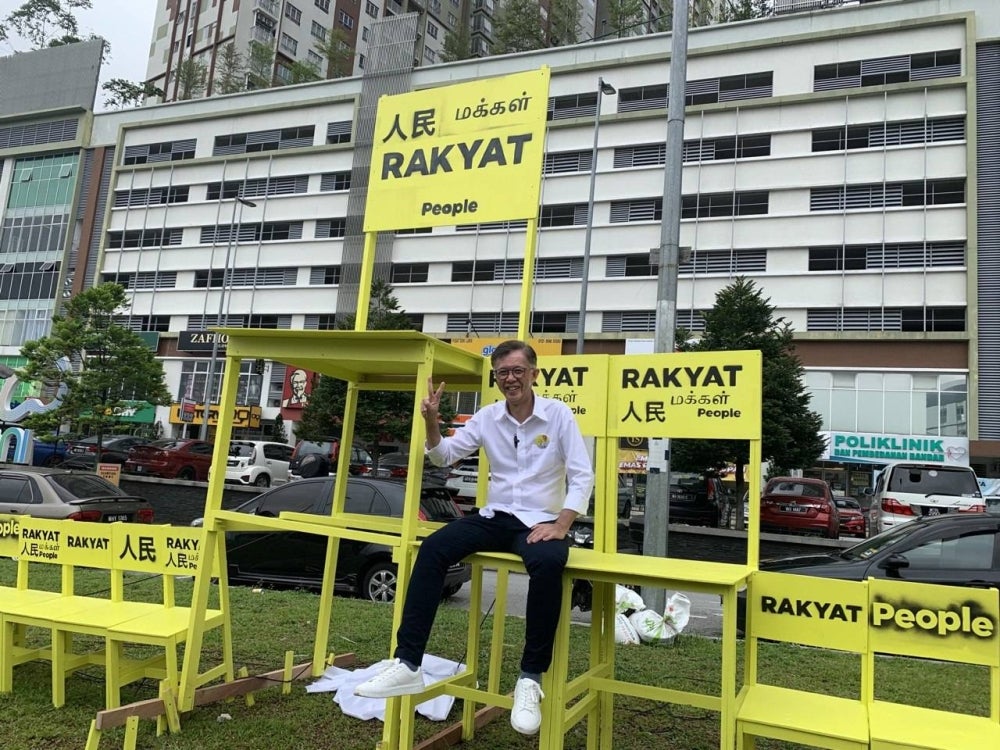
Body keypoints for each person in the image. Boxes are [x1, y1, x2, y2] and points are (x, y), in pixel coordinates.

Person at [355, 340, 594, 736]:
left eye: (518, 371)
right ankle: (408, 663)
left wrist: (562, 525)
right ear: (496, 378)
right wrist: (432, 420)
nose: (510, 379)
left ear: (534, 374)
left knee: (550, 562)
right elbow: (443, 455)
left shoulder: (557, 415)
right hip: (496, 516)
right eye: (503, 373)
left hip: (540, 521)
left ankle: (530, 678)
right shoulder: (488, 417)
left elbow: (582, 475)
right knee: (434, 548)